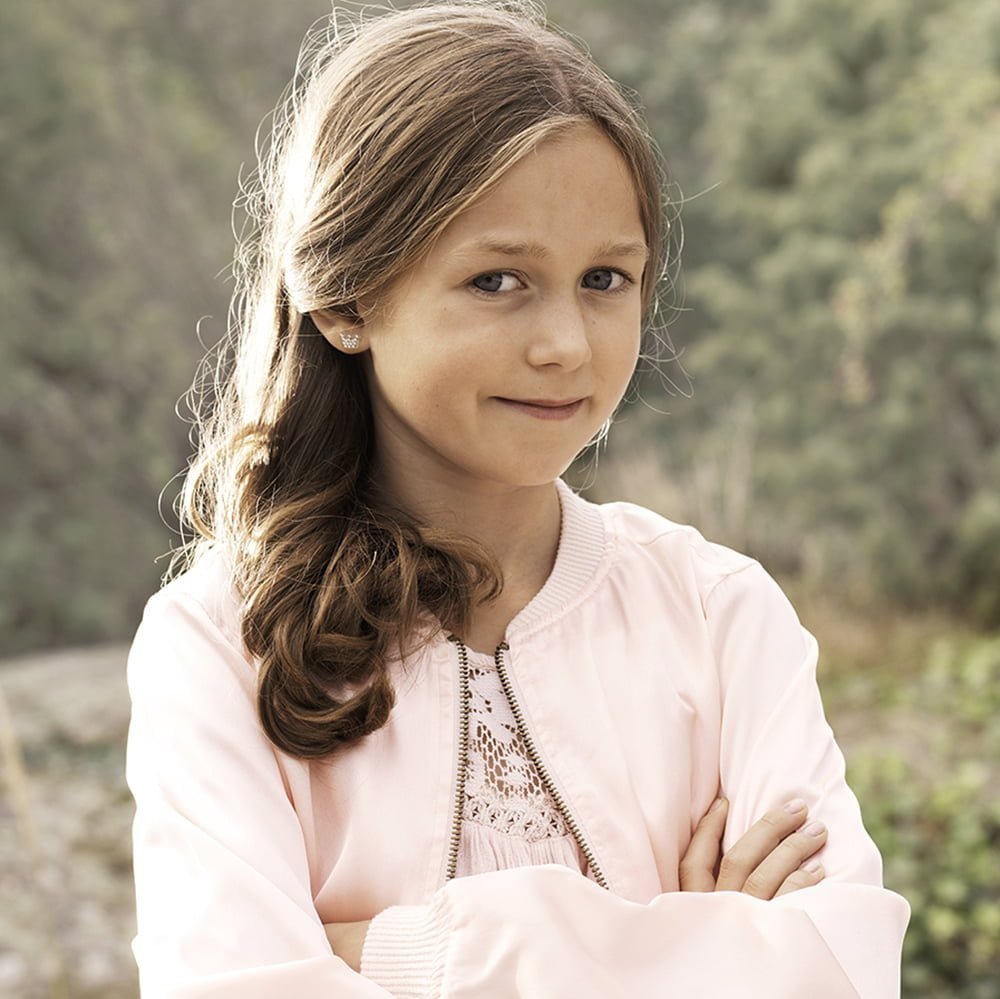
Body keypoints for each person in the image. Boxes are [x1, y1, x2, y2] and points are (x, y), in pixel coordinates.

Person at [124, 1, 910, 995]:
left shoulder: (717, 613)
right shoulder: (216, 646)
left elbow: (841, 970)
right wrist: (697, 944)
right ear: (346, 298)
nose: (567, 346)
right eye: (498, 280)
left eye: (603, 278)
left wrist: (395, 954)